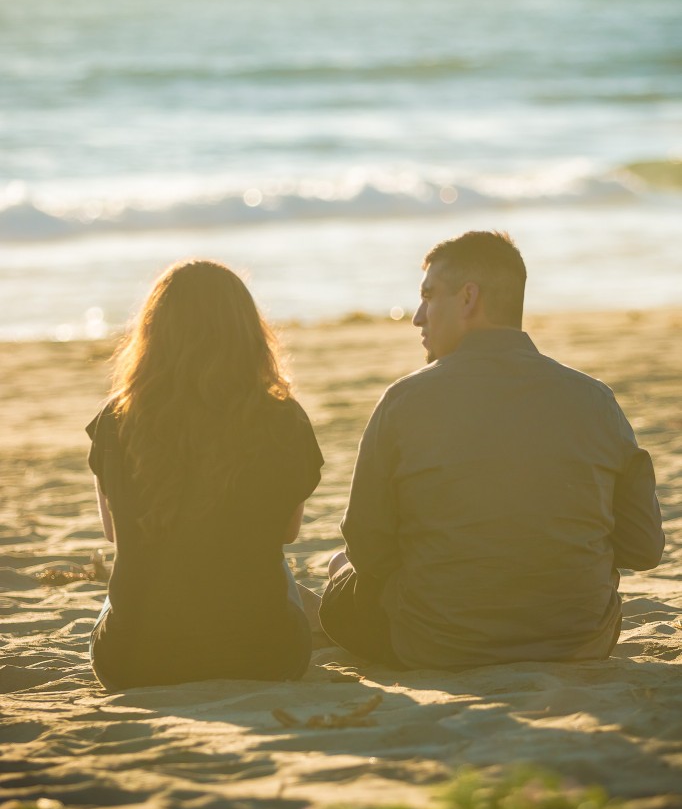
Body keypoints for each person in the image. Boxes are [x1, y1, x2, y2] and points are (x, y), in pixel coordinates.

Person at [320, 230, 664, 670]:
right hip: (579, 640)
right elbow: (644, 549)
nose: (418, 317)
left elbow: (368, 549)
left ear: (468, 298)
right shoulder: (595, 400)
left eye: (428, 296)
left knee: (340, 571)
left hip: (437, 644)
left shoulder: (406, 401)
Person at [87, 259, 323, 689]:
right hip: (266, 658)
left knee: (124, 593)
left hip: (131, 664)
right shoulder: (283, 417)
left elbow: (113, 533)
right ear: (249, 332)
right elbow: (287, 532)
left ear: (152, 333)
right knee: (277, 570)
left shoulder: (116, 418)